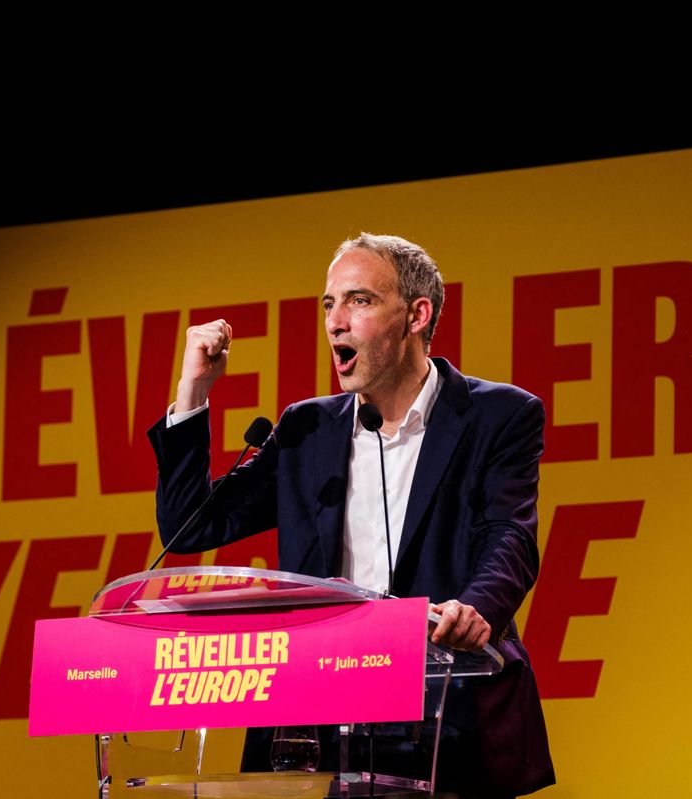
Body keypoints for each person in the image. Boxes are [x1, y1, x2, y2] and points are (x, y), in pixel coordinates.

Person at [147, 233, 555, 797]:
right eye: (329, 304)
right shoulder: (307, 429)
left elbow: (509, 534)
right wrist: (193, 391)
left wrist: (476, 609)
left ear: (416, 315)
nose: (336, 323)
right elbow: (191, 526)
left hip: (446, 715)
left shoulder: (497, 415)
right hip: (316, 726)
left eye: (359, 301)